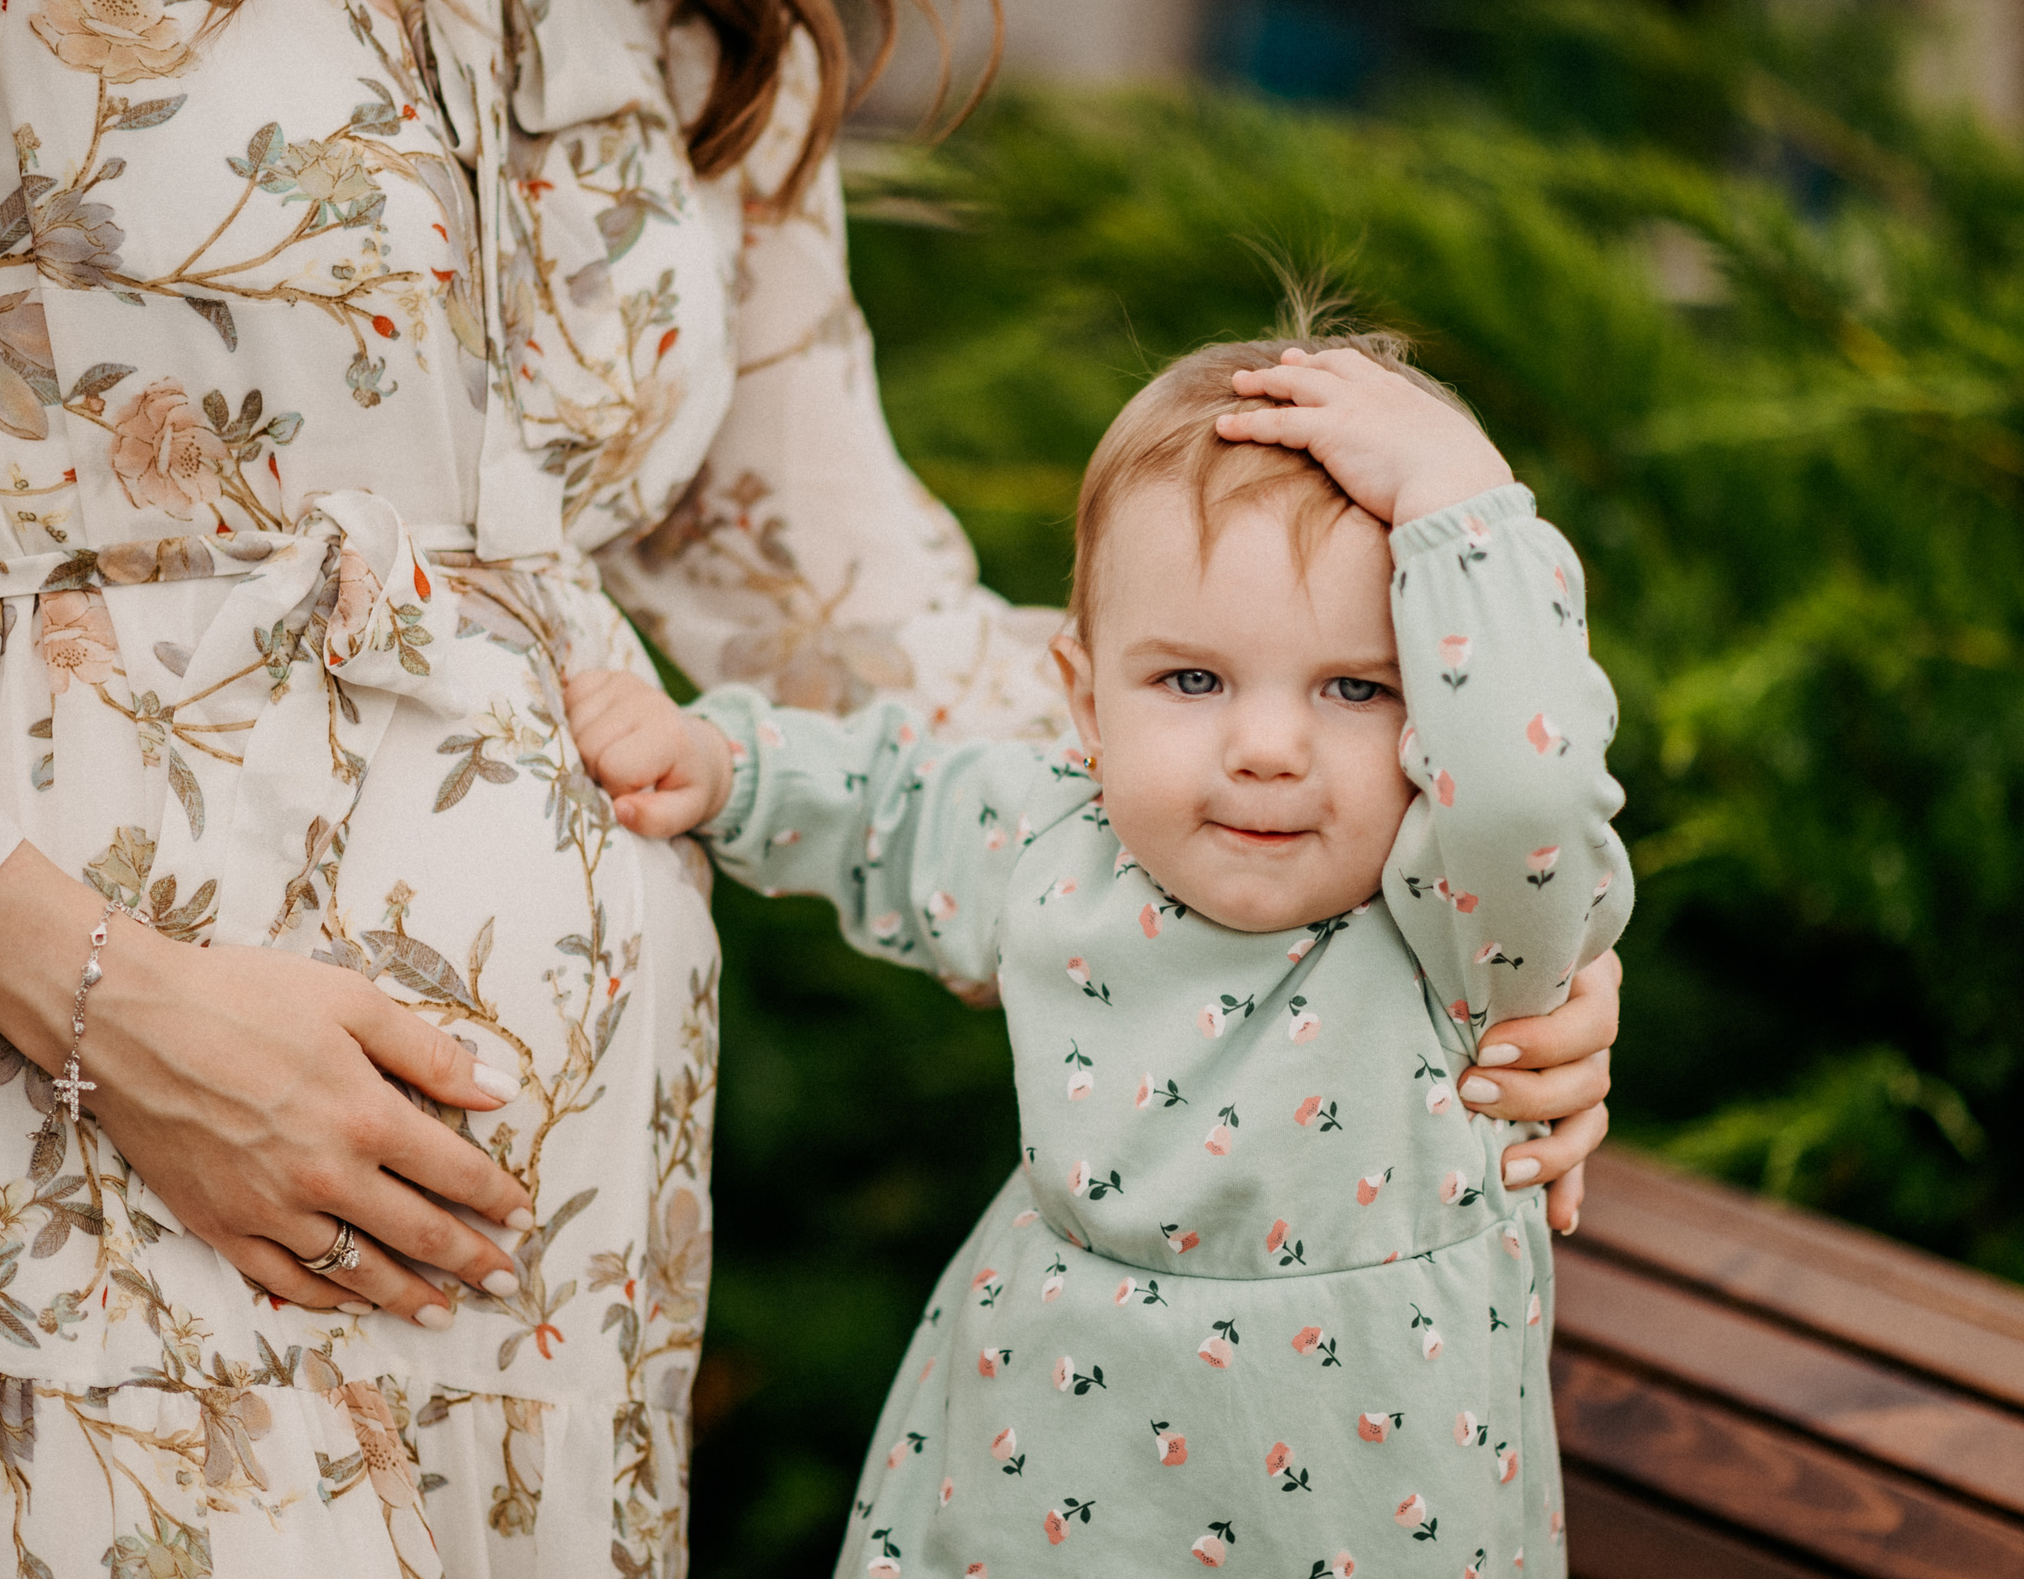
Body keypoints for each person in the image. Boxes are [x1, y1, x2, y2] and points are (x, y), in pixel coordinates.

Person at [0, 0, 1624, 1567]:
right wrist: (110, 1005)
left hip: (547, 1270)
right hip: (57, 1149)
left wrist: (1392, 920)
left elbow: (845, 597)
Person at [561, 330, 1631, 1574]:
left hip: (1368, 1510)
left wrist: (1464, 502)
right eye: (1192, 677)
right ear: (1082, 696)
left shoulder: (1453, 916)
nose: (1268, 745)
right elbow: (887, 801)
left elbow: (1524, 788)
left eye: (1356, 688)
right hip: (1051, 1476)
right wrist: (725, 767)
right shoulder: (1052, 838)